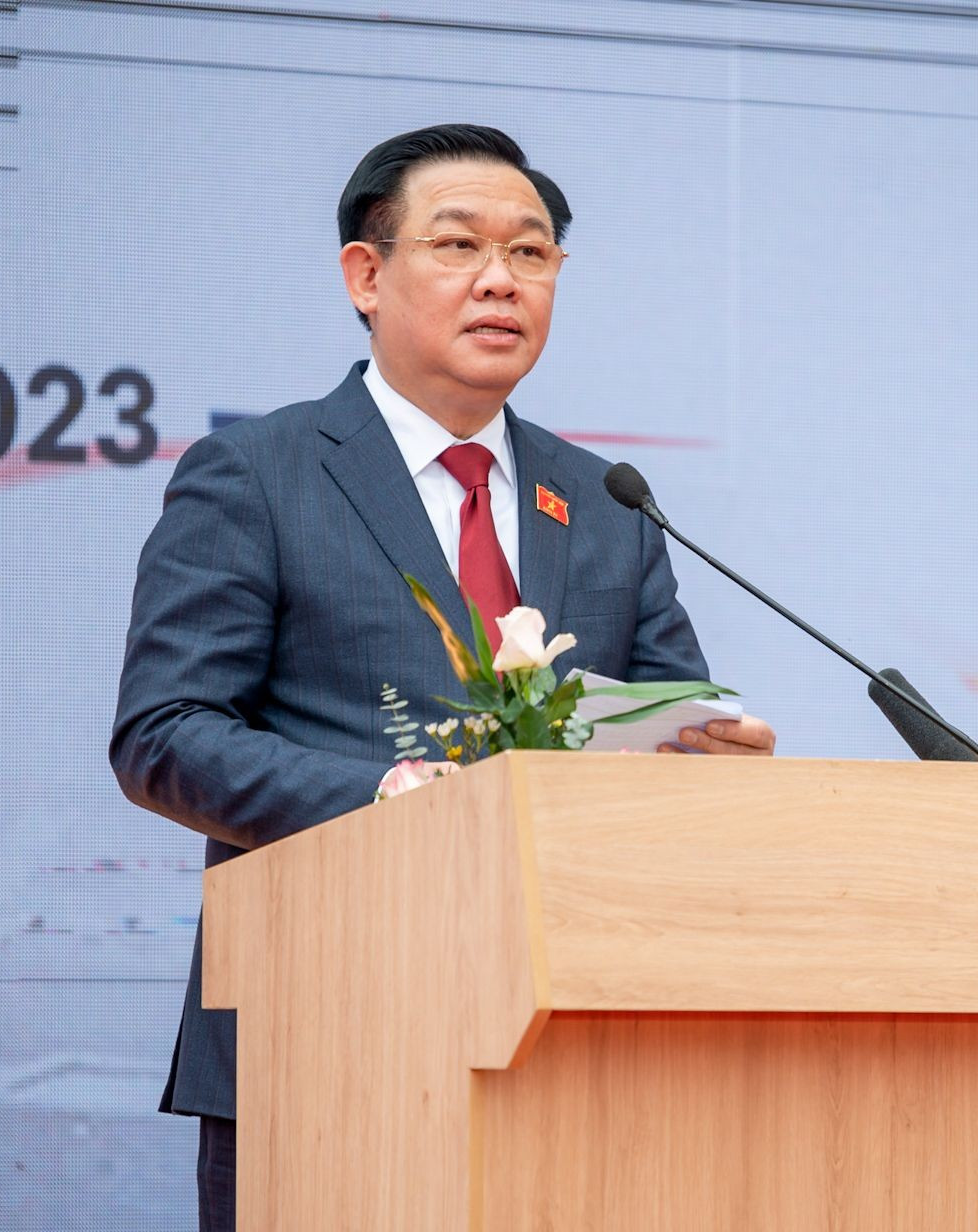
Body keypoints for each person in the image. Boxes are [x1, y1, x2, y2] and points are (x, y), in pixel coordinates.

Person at [109, 123, 776, 1232]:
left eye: (531, 253)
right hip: (325, 1034)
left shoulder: (606, 500)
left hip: (581, 1049)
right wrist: (387, 799)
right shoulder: (257, 474)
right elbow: (165, 733)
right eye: (459, 244)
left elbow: (666, 715)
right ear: (366, 276)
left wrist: (709, 756)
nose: (499, 280)